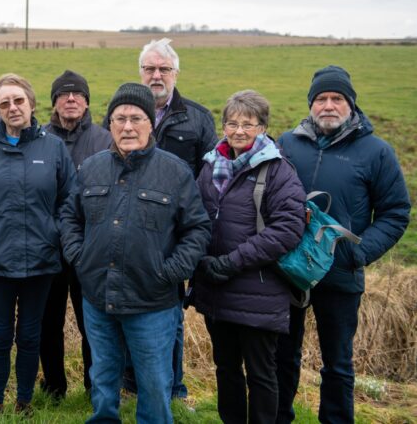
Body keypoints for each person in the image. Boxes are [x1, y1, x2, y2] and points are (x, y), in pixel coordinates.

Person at [60, 82, 211, 424]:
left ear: (151, 123)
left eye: (136, 118)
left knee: (155, 384)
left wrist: (169, 271)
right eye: (119, 119)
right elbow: (69, 216)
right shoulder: (93, 168)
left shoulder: (174, 172)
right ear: (109, 124)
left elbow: (198, 229)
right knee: (102, 376)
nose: (128, 126)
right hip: (98, 296)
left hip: (152, 301)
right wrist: (79, 257)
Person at [275, 66, 411, 424]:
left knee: (337, 362)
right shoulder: (288, 143)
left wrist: (360, 251)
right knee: (282, 355)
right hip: (289, 270)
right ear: (311, 104)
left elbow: (396, 212)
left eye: (337, 98)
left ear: (351, 105)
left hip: (340, 271)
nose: (329, 105)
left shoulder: (375, 151)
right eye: (321, 98)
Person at [0, 73, 76, 423]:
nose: (12, 108)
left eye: (18, 101)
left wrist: (54, 232)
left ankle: (24, 401)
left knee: (29, 334)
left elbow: (70, 197)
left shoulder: (53, 147)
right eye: (4, 103)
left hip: (41, 260)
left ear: (31, 103)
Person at [193, 90, 306, 423]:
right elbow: (196, 215)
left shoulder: (278, 170)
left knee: (261, 372)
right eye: (231, 123)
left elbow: (286, 229)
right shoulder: (211, 164)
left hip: (259, 290)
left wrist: (230, 262)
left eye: (248, 124)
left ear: (263, 127)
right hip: (216, 287)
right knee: (226, 367)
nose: (238, 130)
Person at [123, 37, 218, 399]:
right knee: (129, 310)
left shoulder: (196, 117)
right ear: (141, 73)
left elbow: (212, 178)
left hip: (175, 236)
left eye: (164, 68)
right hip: (131, 232)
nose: (156, 75)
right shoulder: (125, 113)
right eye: (150, 68)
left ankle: (173, 390)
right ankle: (132, 387)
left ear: (176, 73)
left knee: (172, 317)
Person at [39, 70, 111, 400]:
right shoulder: (38, 138)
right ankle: (53, 386)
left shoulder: (104, 139)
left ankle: (94, 386)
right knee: (48, 323)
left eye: (78, 94)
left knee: (92, 324)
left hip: (90, 249)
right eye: (63, 94)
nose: (70, 99)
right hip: (49, 248)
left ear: (86, 102)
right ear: (54, 102)